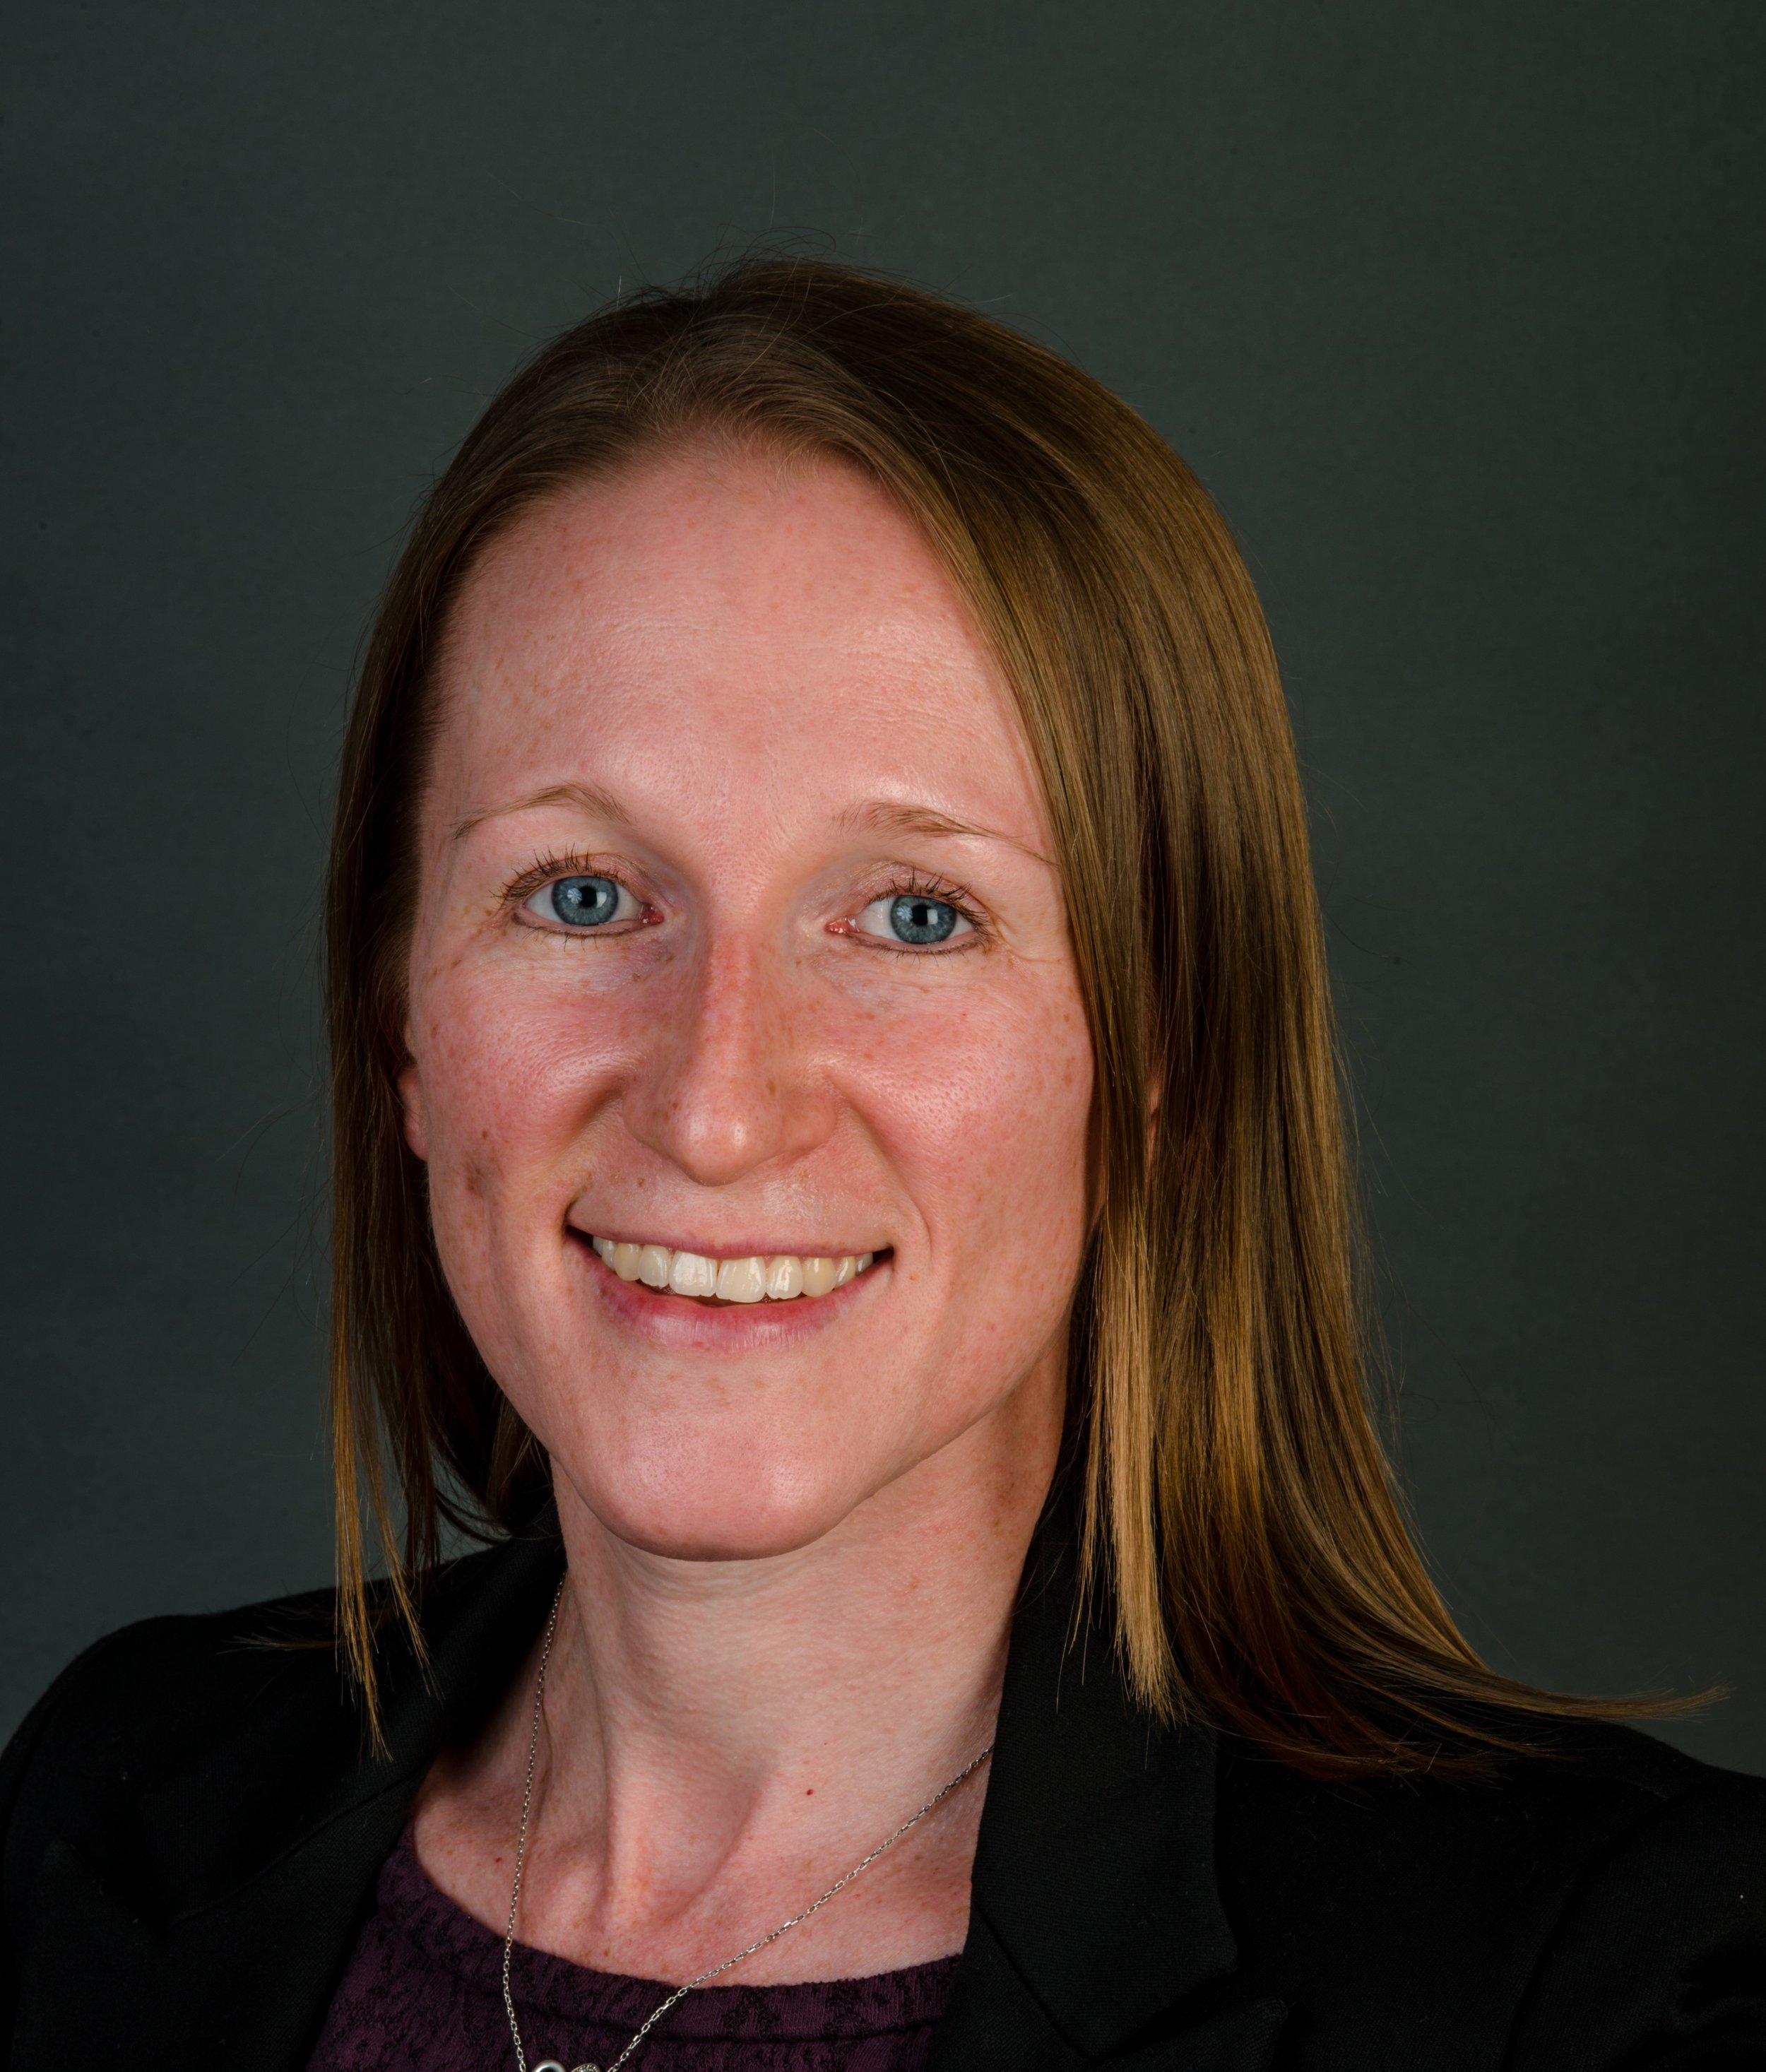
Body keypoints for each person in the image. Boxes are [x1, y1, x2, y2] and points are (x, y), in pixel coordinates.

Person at [2, 257, 1760, 2072]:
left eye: (914, 917)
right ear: (405, 1033)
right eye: (582, 894)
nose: (714, 1104)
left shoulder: (1596, 1994)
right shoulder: (112, 1802)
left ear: (1159, 1054)